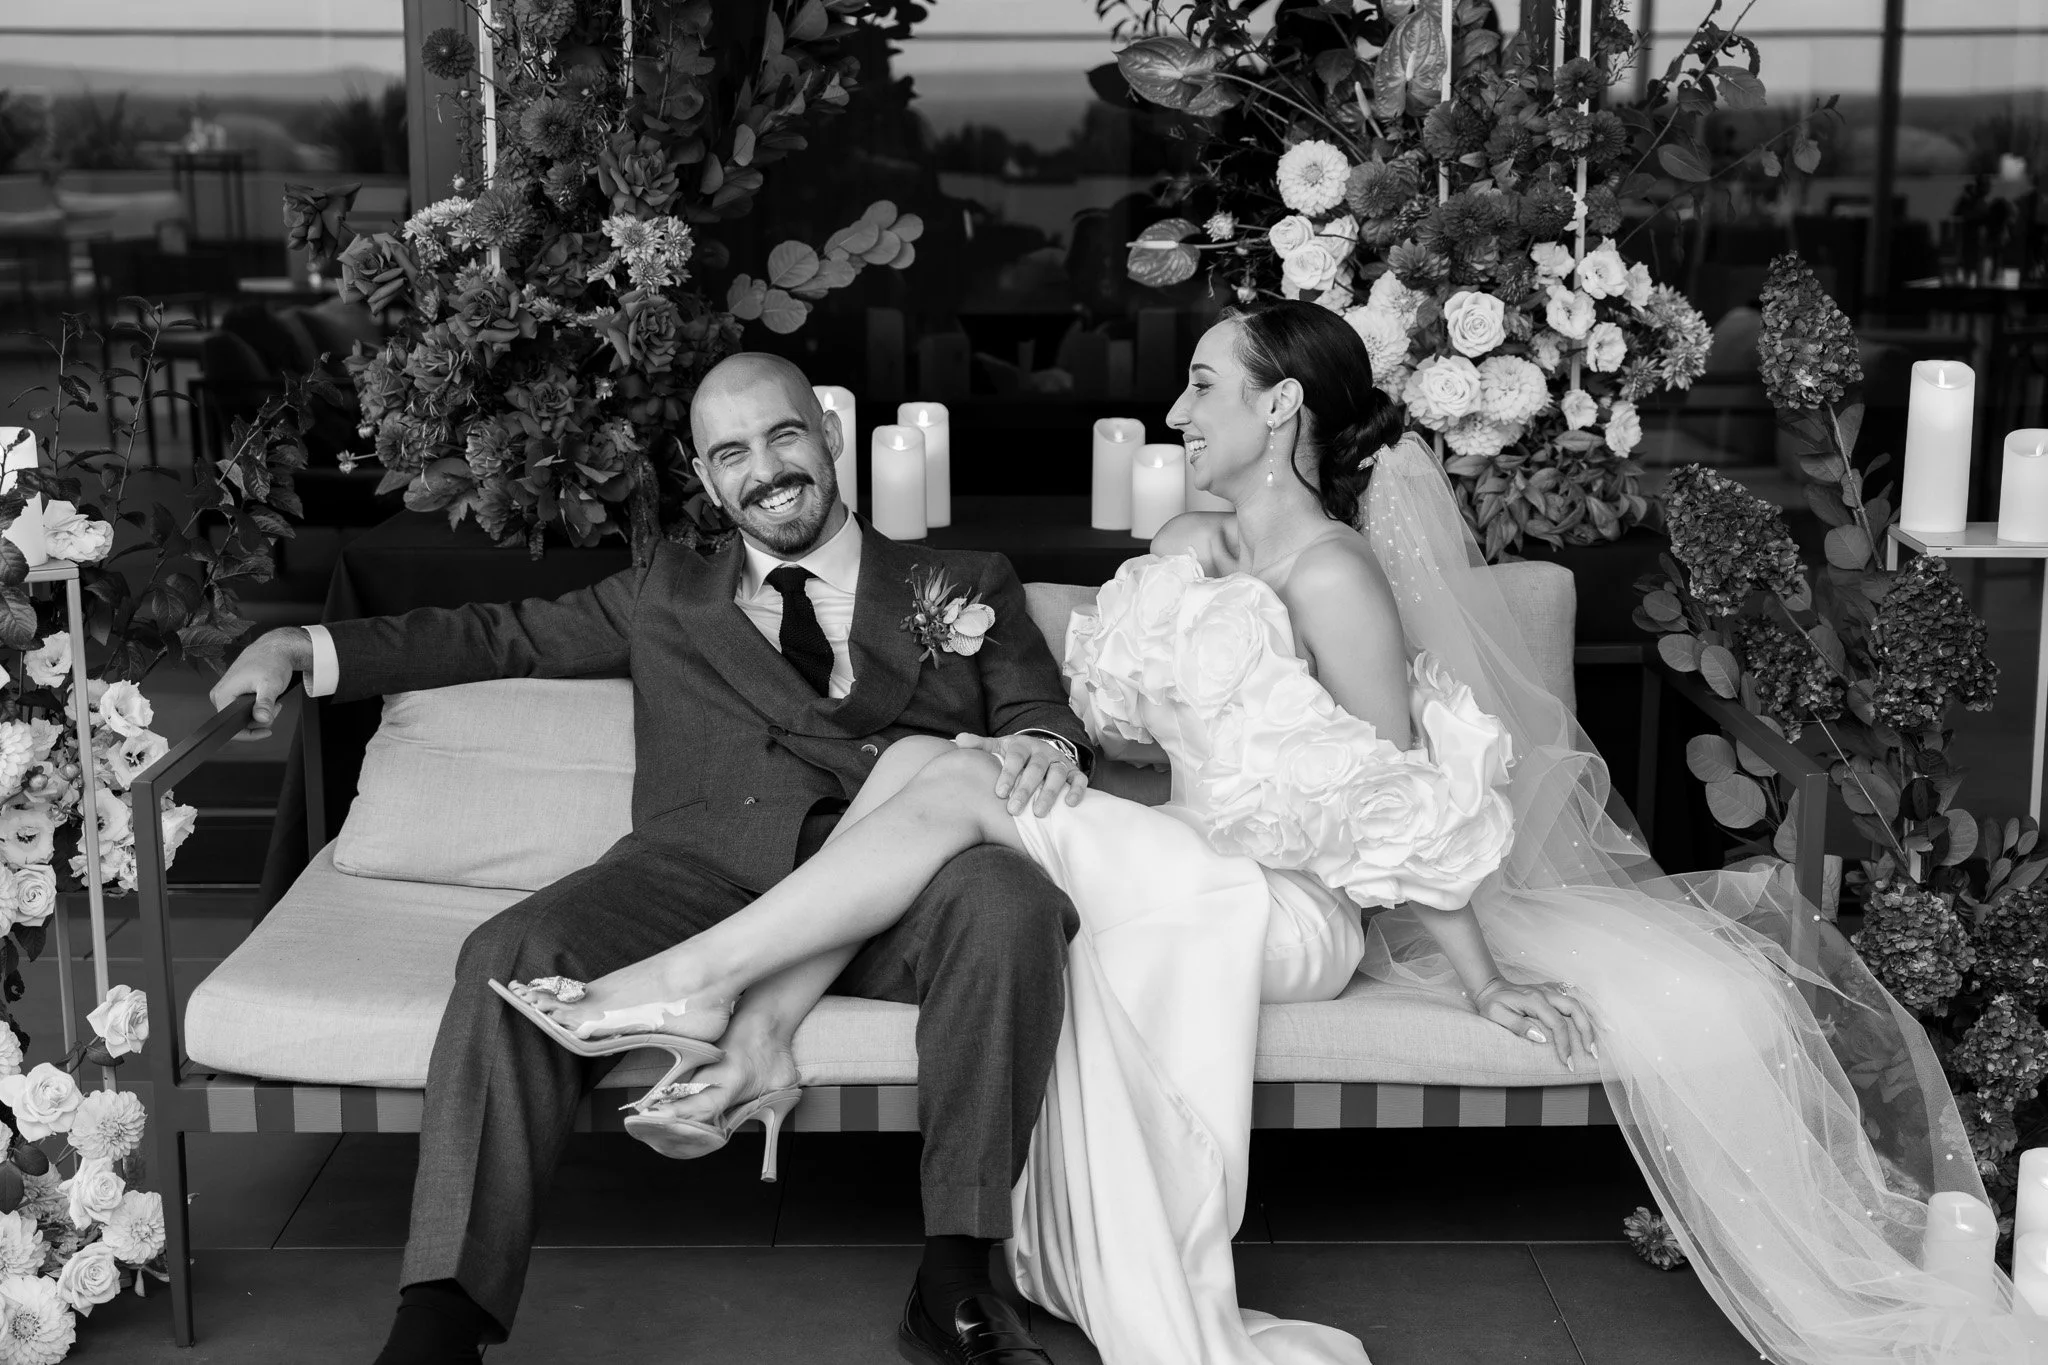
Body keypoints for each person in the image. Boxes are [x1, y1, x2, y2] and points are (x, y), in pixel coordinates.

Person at [512, 301, 2043, 1365]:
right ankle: (737, 1010)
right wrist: (1085, 742)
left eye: (1203, 385)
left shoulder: (1334, 579)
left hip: (1284, 905)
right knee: (938, 759)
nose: (1177, 409)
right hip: (1184, 857)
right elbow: (1138, 726)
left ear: (1280, 408)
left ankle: (703, 985)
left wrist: (1482, 971)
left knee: (945, 767)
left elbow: (1404, 802)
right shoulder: (1189, 539)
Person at [209, 353, 1097, 1365]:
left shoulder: (964, 583)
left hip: (898, 889)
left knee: (1010, 898)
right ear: (705, 477)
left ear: (829, 435)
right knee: (514, 950)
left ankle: (958, 1278)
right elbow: (498, 636)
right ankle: (439, 1321)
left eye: (784, 436)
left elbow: (1039, 711)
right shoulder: (668, 592)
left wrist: (1042, 745)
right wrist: (306, 648)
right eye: (732, 453)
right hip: (689, 880)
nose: (766, 470)